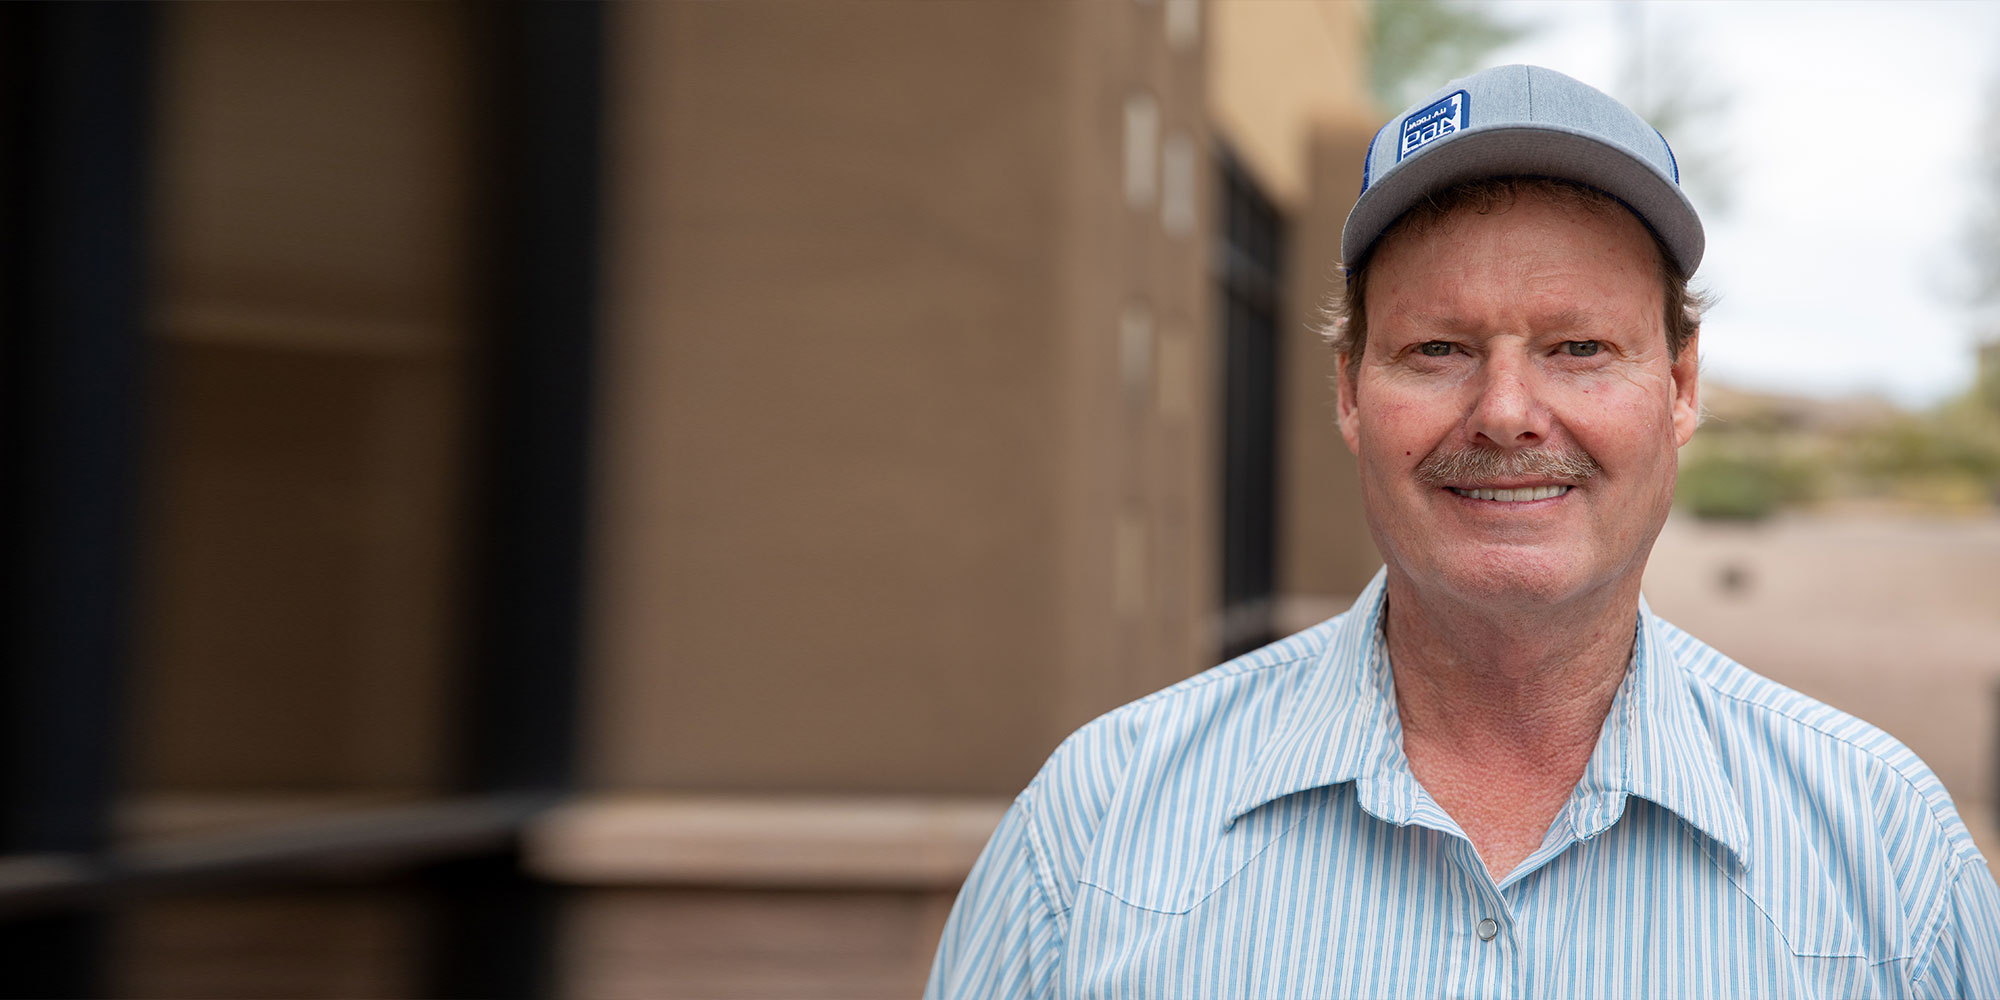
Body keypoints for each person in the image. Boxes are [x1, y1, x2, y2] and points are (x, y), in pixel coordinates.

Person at [926, 65, 2000, 998]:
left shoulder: (1884, 852)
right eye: (1436, 349)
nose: (1503, 412)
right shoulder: (1094, 829)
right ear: (1349, 393)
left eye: (1577, 346)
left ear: (1677, 388)